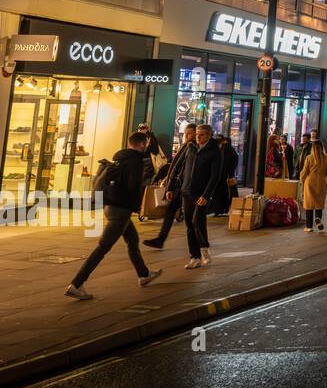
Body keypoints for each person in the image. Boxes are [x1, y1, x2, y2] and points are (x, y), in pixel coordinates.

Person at [65, 131, 163, 299]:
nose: (146, 146)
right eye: (146, 144)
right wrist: (137, 206)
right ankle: (76, 284)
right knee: (103, 247)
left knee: (132, 240)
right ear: (142, 144)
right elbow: (133, 186)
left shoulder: (119, 157)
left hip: (110, 206)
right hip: (121, 209)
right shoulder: (136, 161)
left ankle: (144, 274)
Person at [169, 123, 224, 269]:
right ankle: (194, 257)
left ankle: (204, 248)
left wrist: (206, 195)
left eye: (201, 135)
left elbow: (215, 176)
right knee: (189, 224)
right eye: (197, 134)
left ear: (208, 135)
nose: (197, 138)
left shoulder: (215, 152)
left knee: (197, 220)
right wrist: (171, 187)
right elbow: (177, 167)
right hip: (186, 192)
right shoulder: (190, 148)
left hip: (201, 193)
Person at [144, 124, 195, 248]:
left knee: (192, 219)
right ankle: (160, 239)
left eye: (189, 133)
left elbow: (179, 166)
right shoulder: (185, 146)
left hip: (189, 187)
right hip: (179, 186)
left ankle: (200, 244)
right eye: (185, 133)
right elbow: (175, 166)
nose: (186, 136)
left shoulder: (193, 147)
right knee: (170, 212)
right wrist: (170, 184)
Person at [299, 139, 327, 232]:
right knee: (319, 203)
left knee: (309, 205)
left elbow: (304, 172)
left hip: (310, 182)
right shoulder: (326, 158)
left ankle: (309, 227)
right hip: (321, 182)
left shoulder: (309, 157)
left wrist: (301, 178)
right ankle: (318, 219)